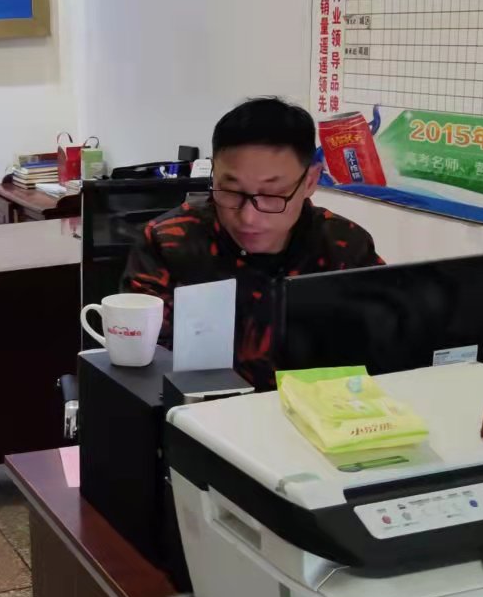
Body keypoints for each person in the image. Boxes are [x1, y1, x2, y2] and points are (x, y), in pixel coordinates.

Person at [122, 97, 382, 389]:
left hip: (322, 411)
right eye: (231, 191)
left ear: (310, 181)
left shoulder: (345, 247)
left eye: (272, 195)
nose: (248, 217)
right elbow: (144, 368)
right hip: (198, 411)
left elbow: (385, 353)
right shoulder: (169, 242)